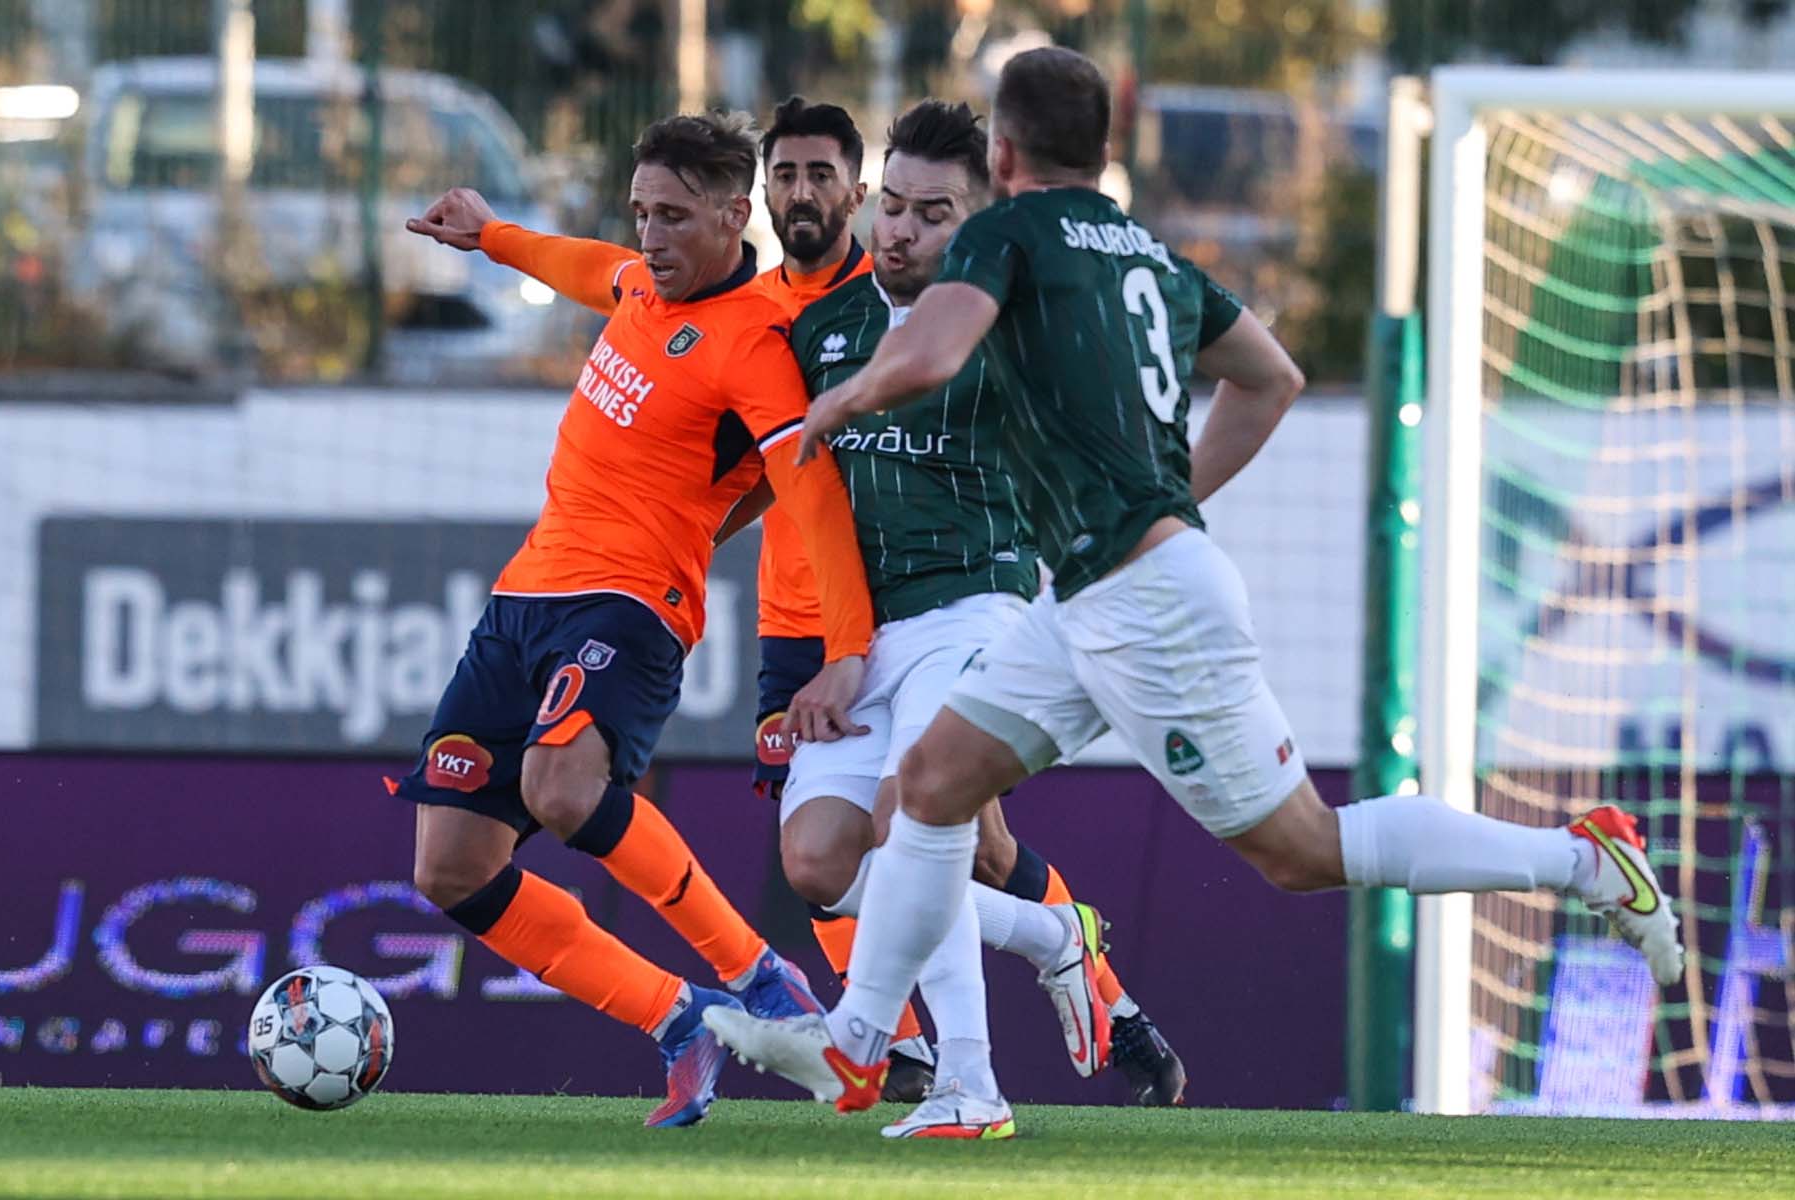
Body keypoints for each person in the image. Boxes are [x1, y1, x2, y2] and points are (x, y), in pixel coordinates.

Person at [703, 46, 1686, 1112]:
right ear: (1106, 147)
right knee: (934, 787)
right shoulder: (1147, 252)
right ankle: (873, 1048)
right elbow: (1274, 377)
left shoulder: (1007, 230)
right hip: (1082, 594)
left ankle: (1582, 862)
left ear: (1005, 151)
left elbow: (933, 353)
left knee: (1300, 848)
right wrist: (1171, 499)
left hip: (1141, 603)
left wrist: (845, 404)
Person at [395, 110, 875, 1129]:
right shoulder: (638, 285)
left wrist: (849, 646)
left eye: (670, 217)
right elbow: (590, 268)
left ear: (730, 214)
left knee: (563, 787)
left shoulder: (755, 344)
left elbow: (812, 492)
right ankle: (675, 1019)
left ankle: (756, 974)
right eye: (641, 213)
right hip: (523, 599)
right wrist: (492, 235)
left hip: (632, 602)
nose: (649, 237)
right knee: (448, 866)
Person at [742, 96, 1188, 1120]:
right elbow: (777, 485)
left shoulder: (1014, 332)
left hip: (976, 615)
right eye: (892, 205)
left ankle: (968, 1083)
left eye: (932, 214)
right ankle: (1046, 938)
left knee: (917, 824)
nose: (899, 228)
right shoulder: (822, 332)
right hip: (864, 640)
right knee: (818, 861)